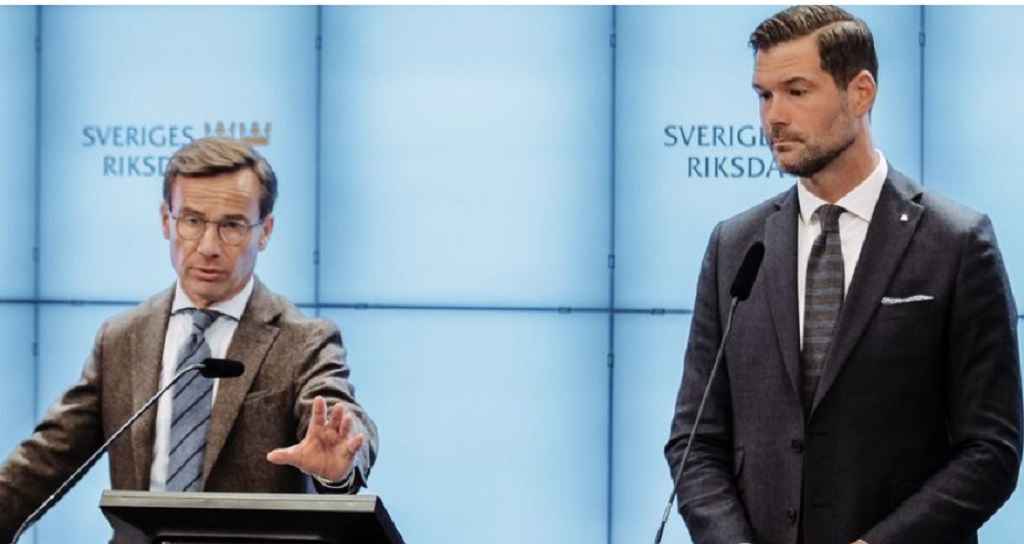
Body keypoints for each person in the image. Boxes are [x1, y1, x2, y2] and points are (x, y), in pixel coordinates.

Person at [665, 6, 1021, 544]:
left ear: (860, 93)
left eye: (796, 91)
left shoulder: (957, 244)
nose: (773, 117)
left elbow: (991, 449)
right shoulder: (735, 246)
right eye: (764, 95)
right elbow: (695, 441)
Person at [0, 137, 378, 541]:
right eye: (193, 221)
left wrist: (340, 464)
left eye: (232, 225)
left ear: (265, 231)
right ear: (167, 221)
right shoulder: (122, 337)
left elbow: (338, 418)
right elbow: (47, 459)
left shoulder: (303, 340)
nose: (208, 247)